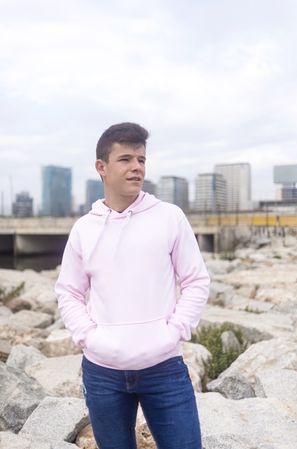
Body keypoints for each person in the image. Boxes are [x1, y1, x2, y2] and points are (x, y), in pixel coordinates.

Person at [55, 122, 210, 449]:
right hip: (102, 372)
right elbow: (68, 291)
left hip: (164, 366)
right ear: (102, 167)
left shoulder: (169, 217)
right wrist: (88, 336)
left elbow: (196, 281)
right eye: (126, 159)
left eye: (141, 159)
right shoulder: (84, 229)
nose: (136, 167)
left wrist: (175, 331)